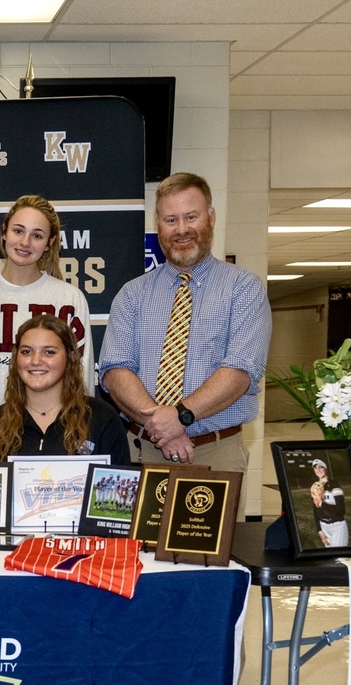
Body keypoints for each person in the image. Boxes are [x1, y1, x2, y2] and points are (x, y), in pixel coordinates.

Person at [97, 171, 271, 472]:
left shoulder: (244, 289)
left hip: (216, 453)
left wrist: (179, 417)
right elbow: (115, 370)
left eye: (191, 217)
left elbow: (240, 370)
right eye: (171, 220)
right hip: (140, 450)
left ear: (211, 217)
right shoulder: (132, 294)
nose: (181, 229)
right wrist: (162, 428)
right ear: (158, 224)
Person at [0, 195, 95, 449]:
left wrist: (73, 444)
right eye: (19, 231)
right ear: (4, 232)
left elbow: (80, 379)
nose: (25, 242)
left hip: (59, 450)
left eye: (37, 235)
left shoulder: (69, 300)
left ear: (50, 243)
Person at [0, 316, 130, 464]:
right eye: (26, 352)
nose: (36, 360)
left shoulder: (103, 419)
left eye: (49, 352)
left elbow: (119, 494)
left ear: (71, 357)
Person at [311, 458, 348, 547]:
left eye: (321, 467)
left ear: (325, 468)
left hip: (337, 526)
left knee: (339, 558)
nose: (318, 470)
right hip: (324, 527)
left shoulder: (334, 485)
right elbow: (316, 510)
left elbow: (341, 510)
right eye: (315, 468)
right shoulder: (315, 487)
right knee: (330, 559)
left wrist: (321, 504)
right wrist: (319, 530)